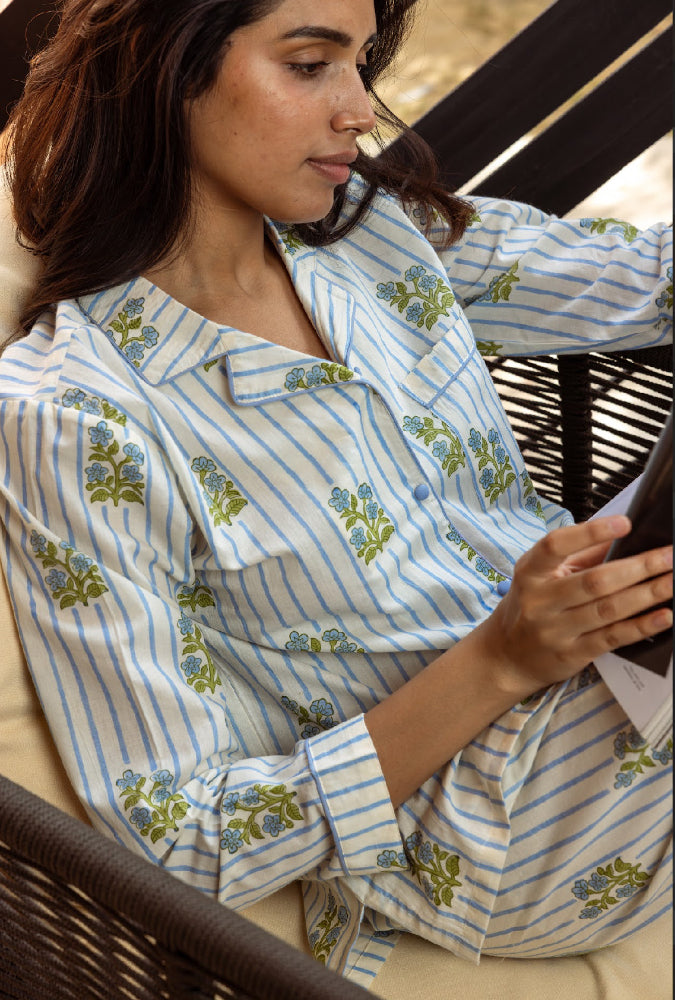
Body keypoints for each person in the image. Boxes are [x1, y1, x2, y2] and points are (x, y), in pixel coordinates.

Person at [0, 0, 672, 986]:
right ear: (165, 72)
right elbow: (178, 845)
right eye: (312, 65)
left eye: (361, 63)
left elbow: (647, 280)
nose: (361, 108)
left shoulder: (369, 238)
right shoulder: (81, 419)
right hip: (485, 828)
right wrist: (502, 655)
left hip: (620, 671)